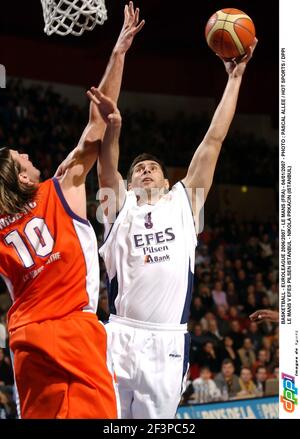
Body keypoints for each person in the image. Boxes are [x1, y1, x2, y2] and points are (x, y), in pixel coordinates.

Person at [89, 38, 257, 418]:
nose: (145, 171)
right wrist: (114, 128)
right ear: (130, 184)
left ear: (167, 182)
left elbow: (213, 141)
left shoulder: (183, 203)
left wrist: (234, 79)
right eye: (138, 170)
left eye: (153, 168)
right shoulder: (120, 206)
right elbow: (105, 165)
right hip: (119, 334)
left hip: (167, 340)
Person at [0, 2, 144, 419]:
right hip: (71, 329)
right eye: (20, 157)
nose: (26, 154)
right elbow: (97, 127)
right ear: (21, 177)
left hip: (26, 337)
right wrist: (118, 53)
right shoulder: (61, 187)